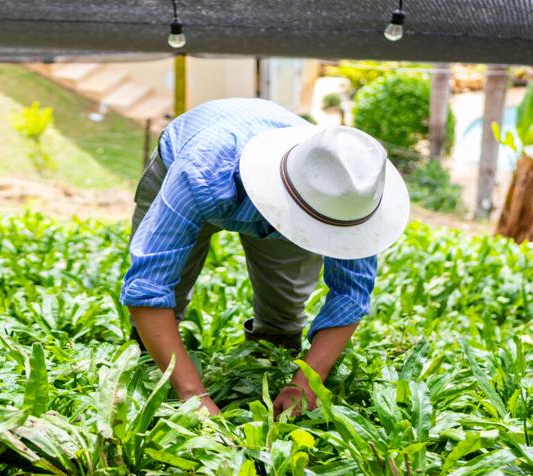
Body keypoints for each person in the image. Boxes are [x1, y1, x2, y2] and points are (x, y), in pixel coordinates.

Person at [121, 98, 411, 417]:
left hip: (295, 187)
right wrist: (193, 396)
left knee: (284, 306)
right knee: (168, 293)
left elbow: (352, 294)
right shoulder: (202, 173)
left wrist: (307, 382)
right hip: (196, 163)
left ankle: (271, 349)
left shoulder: (348, 194)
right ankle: (151, 362)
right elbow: (148, 285)